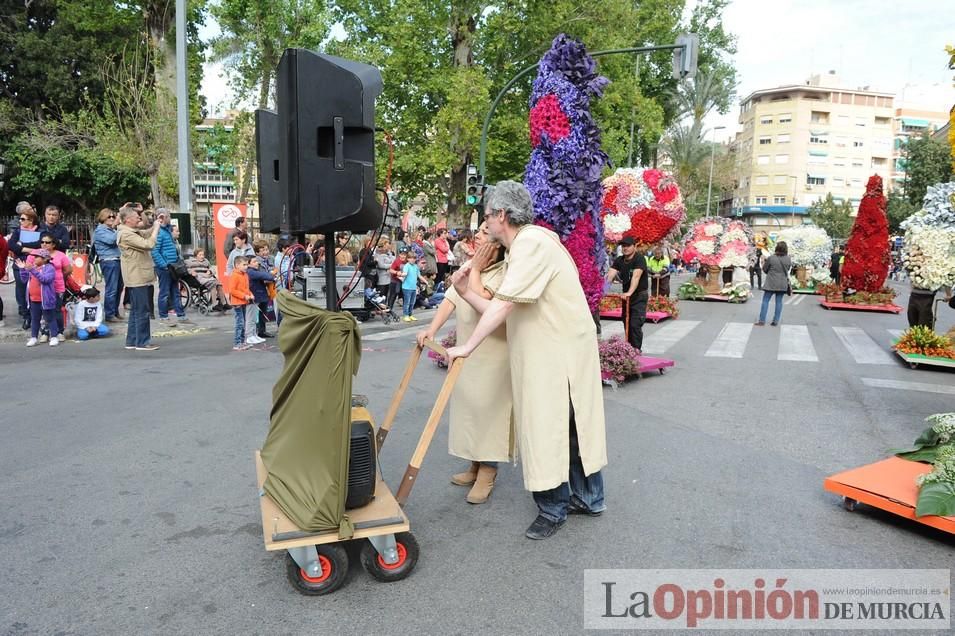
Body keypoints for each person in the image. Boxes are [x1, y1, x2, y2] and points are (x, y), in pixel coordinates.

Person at [445, 181, 607, 540]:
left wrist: (467, 346)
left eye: (488, 215)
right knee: (571, 428)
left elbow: (502, 306)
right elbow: (504, 306)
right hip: (556, 352)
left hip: (554, 356)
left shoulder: (531, 244)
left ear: (502, 215)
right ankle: (589, 498)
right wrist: (465, 292)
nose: (486, 224)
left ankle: (553, 508)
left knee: (547, 428)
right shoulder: (531, 244)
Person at [417, 223, 513, 503]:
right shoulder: (472, 265)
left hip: (493, 351)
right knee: (469, 408)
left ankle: (488, 470)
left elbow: (482, 298)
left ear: (495, 244)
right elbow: (451, 299)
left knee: (489, 411)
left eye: (484, 232)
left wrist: (477, 270)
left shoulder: (505, 270)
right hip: (466, 349)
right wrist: (431, 330)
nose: (478, 235)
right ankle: (474, 464)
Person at [117, 205, 162, 351]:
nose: (139, 219)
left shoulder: (129, 231)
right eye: (136, 217)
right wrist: (155, 230)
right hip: (137, 276)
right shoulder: (127, 234)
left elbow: (144, 233)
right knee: (142, 310)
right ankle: (143, 342)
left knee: (136, 310)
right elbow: (148, 244)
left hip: (136, 275)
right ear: (128, 219)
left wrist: (157, 225)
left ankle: (132, 340)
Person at [605, 236, 648, 351]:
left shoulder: (639, 259)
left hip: (638, 296)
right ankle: (629, 349)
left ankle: (636, 350)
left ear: (634, 246)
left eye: (628, 246)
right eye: (623, 246)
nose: (625, 248)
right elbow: (610, 275)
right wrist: (602, 290)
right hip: (627, 298)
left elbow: (636, 277)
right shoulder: (619, 260)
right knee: (626, 323)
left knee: (635, 324)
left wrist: (629, 292)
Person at [151, 210, 188, 327]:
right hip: (165, 267)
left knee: (175, 291)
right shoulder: (160, 232)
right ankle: (163, 316)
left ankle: (180, 314)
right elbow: (155, 250)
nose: (170, 218)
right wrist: (163, 265)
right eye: (169, 216)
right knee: (165, 292)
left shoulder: (166, 231)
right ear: (163, 217)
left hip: (173, 266)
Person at [16, 249, 60, 347]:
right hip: (33, 299)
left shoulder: (50, 268)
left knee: (50, 318)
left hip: (46, 299)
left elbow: (45, 279)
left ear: (45, 259)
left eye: (37, 257)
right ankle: (34, 337)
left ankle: (54, 337)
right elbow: (24, 279)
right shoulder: (34, 267)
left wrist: (32, 269)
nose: (34, 259)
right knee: (35, 319)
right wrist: (22, 269)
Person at [31, 232, 72, 338]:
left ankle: (59, 332)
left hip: (57, 287)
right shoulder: (36, 254)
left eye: (47, 242)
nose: (44, 244)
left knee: (57, 310)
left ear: (53, 244)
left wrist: (57, 276)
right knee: (44, 312)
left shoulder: (60, 255)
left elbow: (68, 270)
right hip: (41, 288)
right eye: (42, 242)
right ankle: (45, 332)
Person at [9, 202, 42, 330]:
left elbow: (40, 244)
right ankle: (26, 317)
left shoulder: (40, 230)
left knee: (34, 290)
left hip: (35, 264)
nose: (20, 221)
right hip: (19, 265)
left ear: (31, 220)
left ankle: (36, 316)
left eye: (23, 219)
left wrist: (22, 246)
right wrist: (29, 249)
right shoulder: (17, 232)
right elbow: (12, 246)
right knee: (21, 290)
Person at [93, 208, 123, 322]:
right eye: (109, 217)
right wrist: (117, 227)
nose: (112, 219)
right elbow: (111, 240)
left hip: (117, 260)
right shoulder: (100, 231)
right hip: (109, 261)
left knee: (119, 287)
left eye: (113, 217)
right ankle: (109, 314)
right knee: (112, 288)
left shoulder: (111, 230)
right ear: (103, 218)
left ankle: (115, 311)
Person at [756, 241, 792, 327]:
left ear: (777, 248)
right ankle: (775, 321)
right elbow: (788, 269)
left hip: (771, 283)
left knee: (765, 300)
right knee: (779, 302)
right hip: (782, 283)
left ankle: (762, 320)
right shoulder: (788, 259)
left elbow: (765, 269)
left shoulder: (771, 258)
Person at [228, 256, 254, 351]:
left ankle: (242, 342)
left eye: (247, 264)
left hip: (243, 301)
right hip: (237, 302)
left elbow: (246, 289)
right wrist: (244, 296)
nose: (246, 266)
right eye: (244, 265)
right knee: (240, 322)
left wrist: (250, 294)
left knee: (243, 322)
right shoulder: (234, 275)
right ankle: (237, 343)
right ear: (237, 265)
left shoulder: (245, 275)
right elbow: (232, 290)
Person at [246, 257, 275, 341]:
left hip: (261, 296)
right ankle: (253, 334)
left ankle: (260, 332)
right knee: (254, 317)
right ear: (249, 264)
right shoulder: (251, 272)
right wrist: (271, 275)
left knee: (260, 316)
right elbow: (264, 275)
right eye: (254, 261)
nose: (257, 263)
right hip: (256, 296)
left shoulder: (255, 271)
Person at [397, 249, 420, 322]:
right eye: (411, 258)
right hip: (406, 287)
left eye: (414, 258)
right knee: (407, 302)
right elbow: (405, 273)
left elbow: (419, 275)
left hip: (413, 287)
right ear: (408, 259)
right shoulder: (407, 266)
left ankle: (410, 314)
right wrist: (400, 274)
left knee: (412, 302)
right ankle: (405, 315)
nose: (413, 260)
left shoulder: (416, 266)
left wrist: (425, 281)